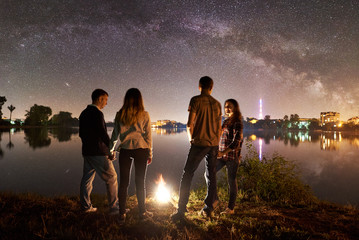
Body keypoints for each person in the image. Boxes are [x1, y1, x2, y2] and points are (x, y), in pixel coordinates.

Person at [171, 76, 222, 220]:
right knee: (212, 176)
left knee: (187, 174)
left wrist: (191, 140)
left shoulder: (195, 100)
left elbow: (189, 124)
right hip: (213, 144)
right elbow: (219, 128)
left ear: (200, 86)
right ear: (212, 87)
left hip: (199, 143)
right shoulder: (218, 104)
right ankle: (209, 208)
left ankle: (181, 210)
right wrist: (216, 143)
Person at [109, 88, 153, 222]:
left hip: (125, 150)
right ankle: (142, 213)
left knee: (123, 183)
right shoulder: (145, 114)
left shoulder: (120, 114)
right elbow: (148, 136)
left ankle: (122, 213)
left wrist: (111, 150)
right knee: (140, 182)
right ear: (140, 99)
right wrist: (150, 152)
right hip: (141, 149)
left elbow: (115, 135)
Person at [79, 89, 118, 214]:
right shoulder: (97, 113)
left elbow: (81, 134)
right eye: (105, 100)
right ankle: (114, 207)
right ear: (100, 99)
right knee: (112, 177)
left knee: (87, 179)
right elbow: (102, 133)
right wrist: (110, 150)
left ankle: (86, 207)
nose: (106, 103)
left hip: (87, 151)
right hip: (98, 152)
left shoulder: (83, 113)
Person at [206, 99, 243, 215]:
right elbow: (219, 135)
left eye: (229, 106)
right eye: (225, 106)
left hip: (231, 157)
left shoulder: (237, 122)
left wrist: (224, 152)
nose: (227, 108)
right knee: (208, 173)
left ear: (235, 108)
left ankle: (230, 208)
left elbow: (236, 142)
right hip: (221, 156)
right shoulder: (226, 121)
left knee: (231, 181)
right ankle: (215, 199)